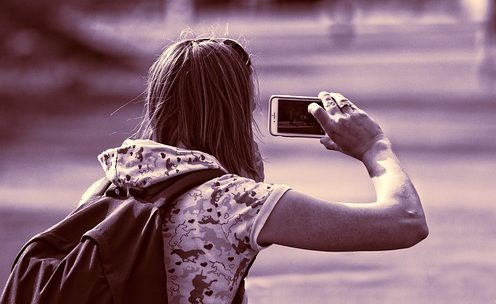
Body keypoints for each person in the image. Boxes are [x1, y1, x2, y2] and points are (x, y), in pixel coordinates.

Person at [81, 32, 428, 303]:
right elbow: (405, 222)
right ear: (235, 113)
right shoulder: (237, 204)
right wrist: (375, 147)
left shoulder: (104, 189)